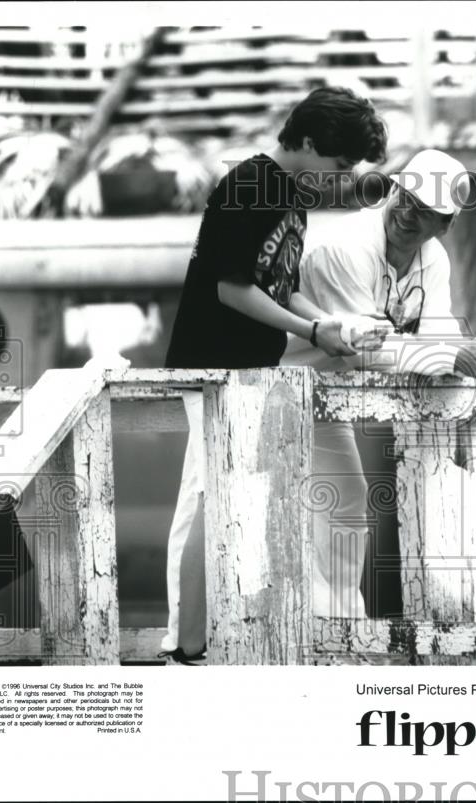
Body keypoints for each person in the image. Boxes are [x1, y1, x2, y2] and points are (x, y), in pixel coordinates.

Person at [160, 87, 388, 664]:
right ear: (308, 142)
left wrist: (331, 324)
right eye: (339, 165)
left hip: (255, 371)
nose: (343, 177)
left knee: (247, 500)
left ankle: (222, 635)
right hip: (216, 366)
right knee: (218, 499)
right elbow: (231, 289)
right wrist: (311, 334)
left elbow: (279, 286)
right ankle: (189, 646)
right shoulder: (249, 186)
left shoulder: (289, 195)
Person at [282, 149, 476, 618]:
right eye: (405, 197)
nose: (407, 213)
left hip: (322, 394)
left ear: (444, 224)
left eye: (424, 210)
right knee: (235, 506)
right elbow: (365, 349)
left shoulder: (433, 257)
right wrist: (454, 356)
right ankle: (194, 641)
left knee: (345, 503)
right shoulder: (346, 247)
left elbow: (438, 332)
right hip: (267, 383)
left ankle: (339, 625)